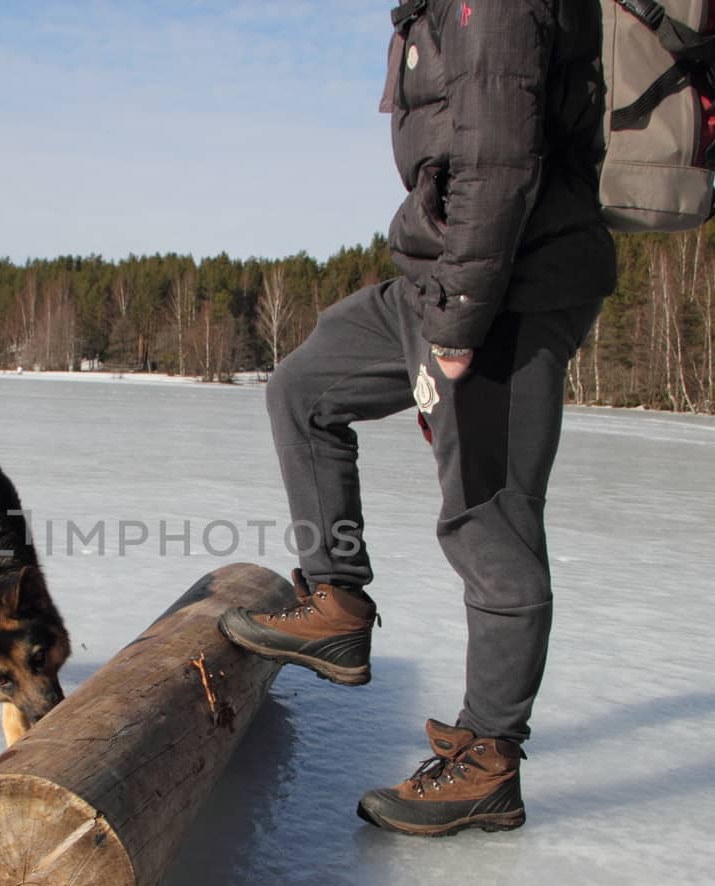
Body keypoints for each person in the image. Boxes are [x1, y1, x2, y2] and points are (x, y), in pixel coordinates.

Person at [219, 0, 617, 836]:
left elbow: (500, 158)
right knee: (303, 388)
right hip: (438, 278)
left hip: (508, 294)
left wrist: (458, 328)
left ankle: (488, 760)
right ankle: (337, 604)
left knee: (491, 524)